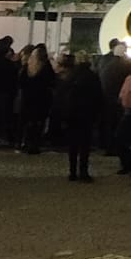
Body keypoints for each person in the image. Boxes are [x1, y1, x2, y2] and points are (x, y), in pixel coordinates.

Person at [53, 53, 103, 182]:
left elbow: (62, 95)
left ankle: (72, 172)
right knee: (84, 145)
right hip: (87, 114)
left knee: (73, 144)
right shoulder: (92, 76)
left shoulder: (71, 76)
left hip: (72, 114)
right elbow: (99, 97)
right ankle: (83, 171)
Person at [20, 45, 56, 153]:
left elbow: (21, 82)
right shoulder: (46, 67)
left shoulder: (27, 68)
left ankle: (26, 143)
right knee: (38, 123)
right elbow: (52, 82)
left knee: (28, 122)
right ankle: (34, 144)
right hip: (41, 99)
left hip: (28, 99)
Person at [98, 40, 130, 155]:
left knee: (108, 123)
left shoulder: (104, 61)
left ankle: (107, 146)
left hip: (106, 95)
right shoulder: (123, 65)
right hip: (117, 97)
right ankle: (116, 147)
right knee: (117, 124)